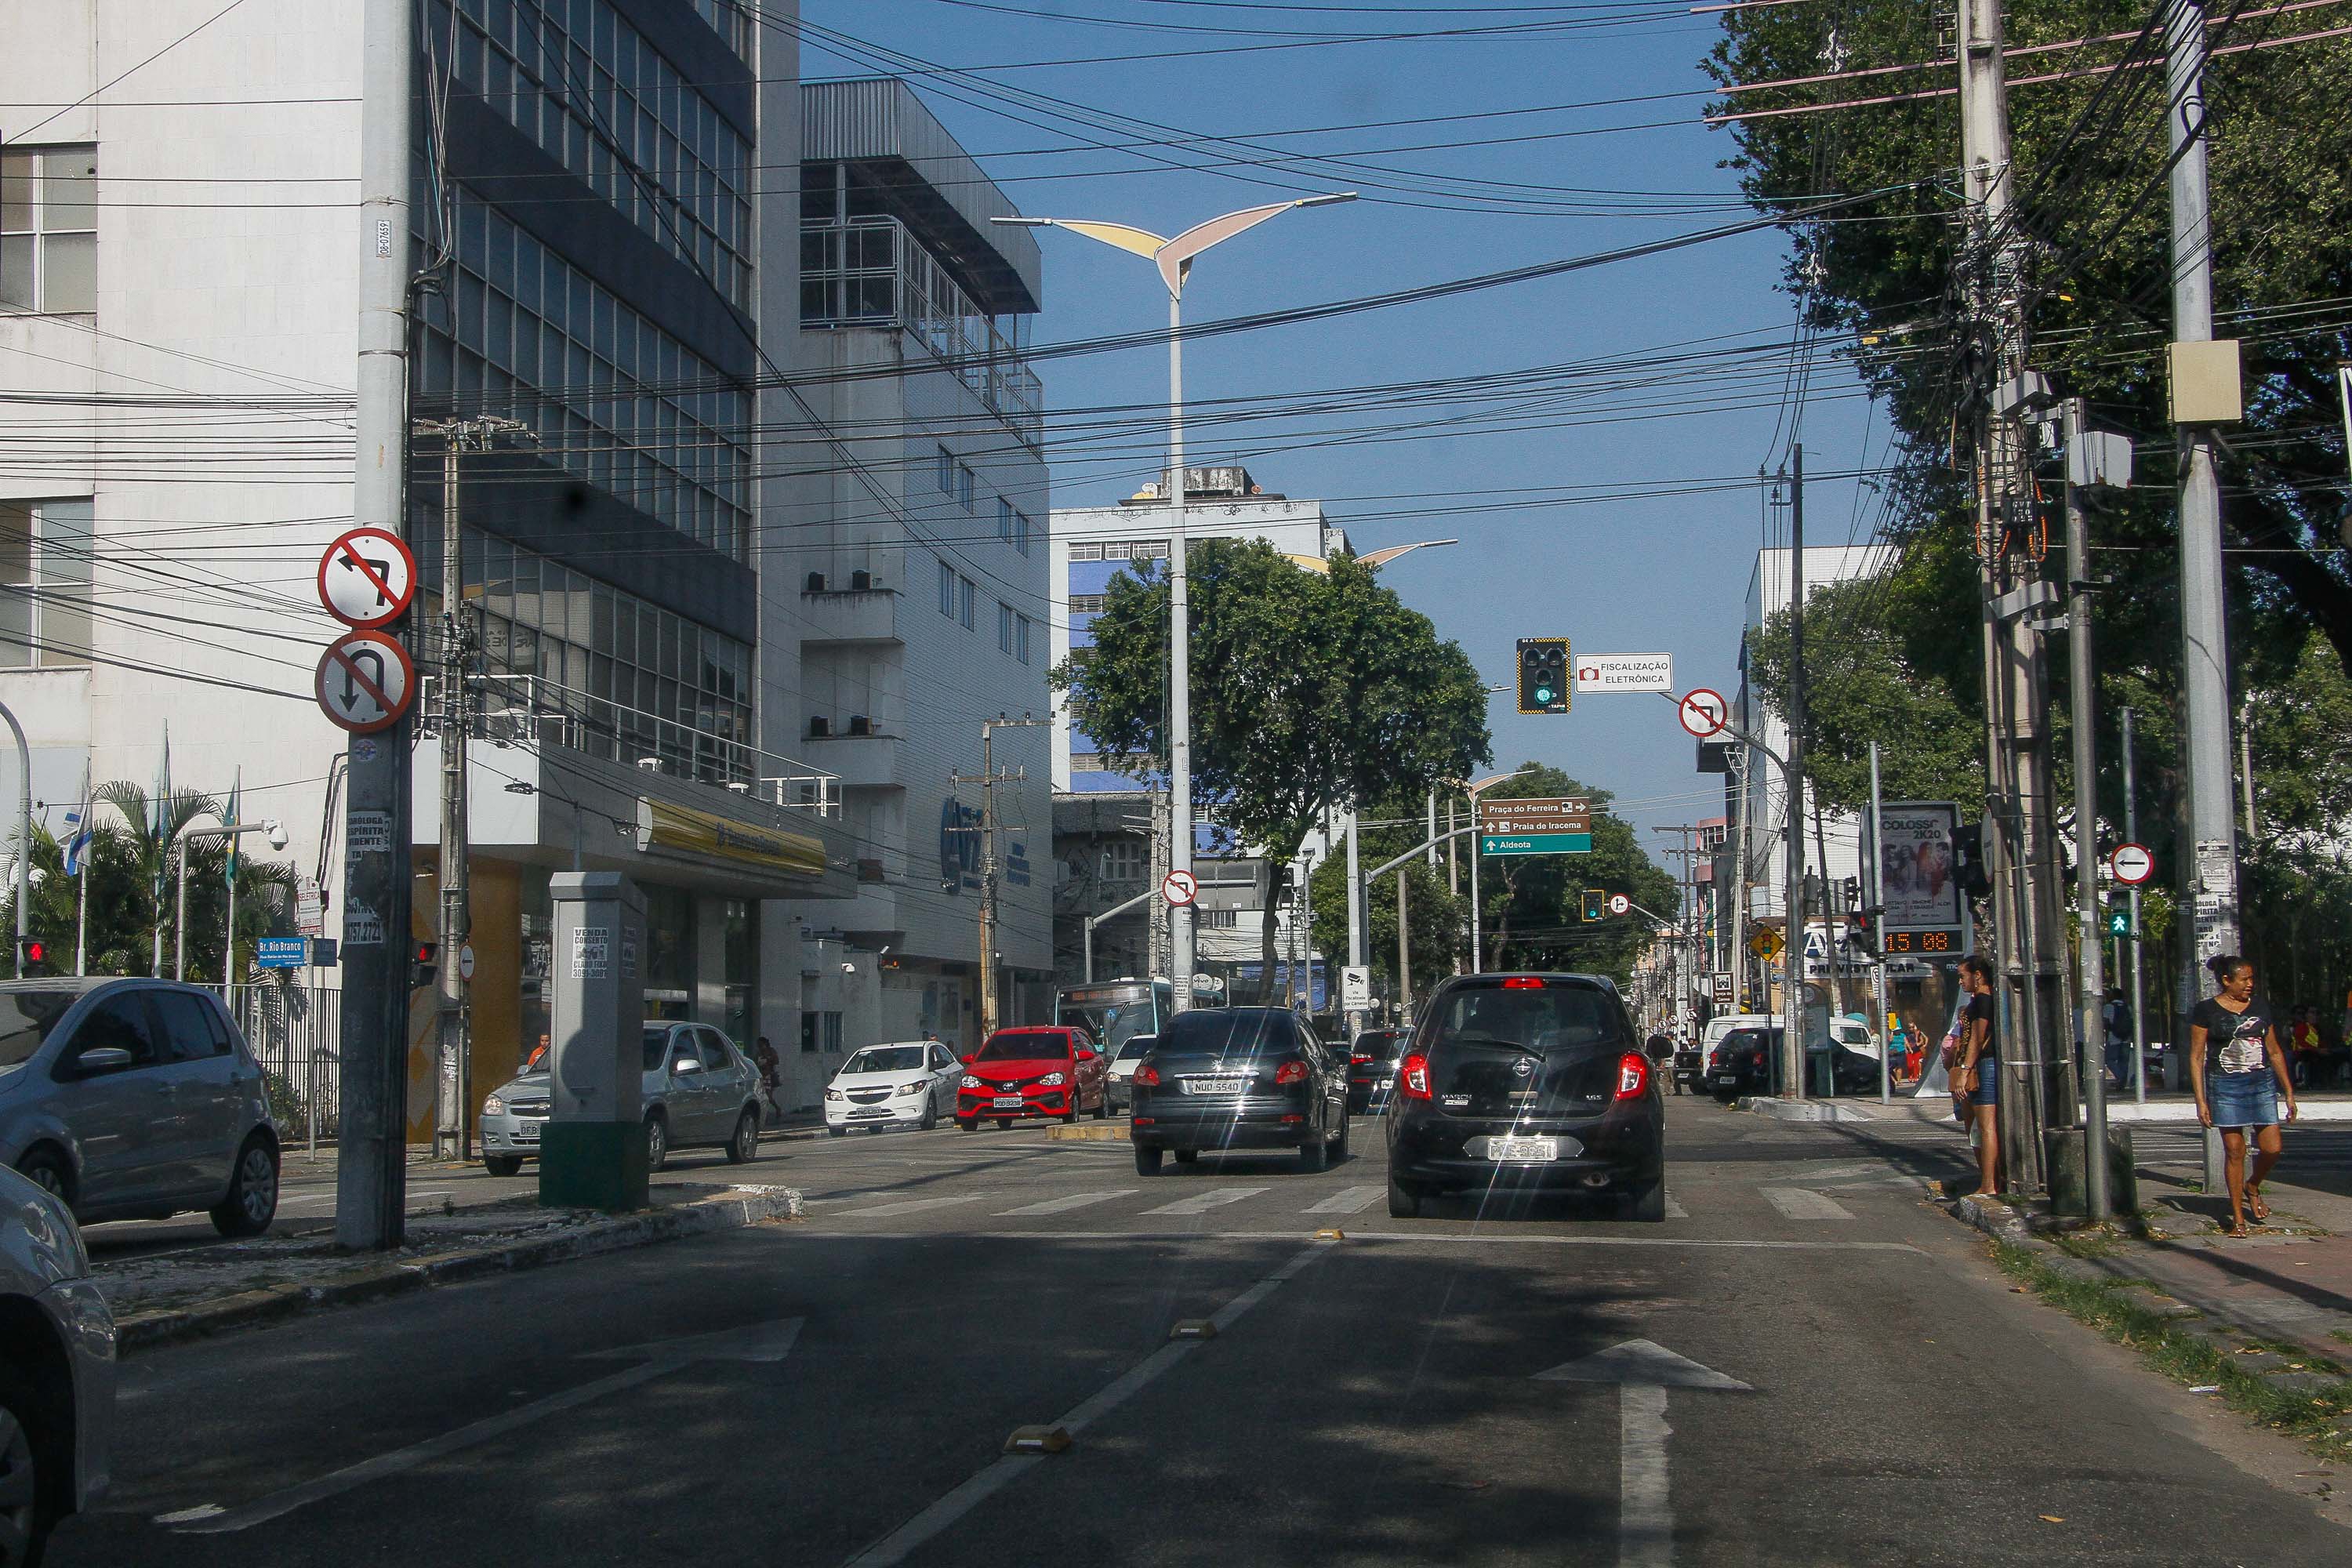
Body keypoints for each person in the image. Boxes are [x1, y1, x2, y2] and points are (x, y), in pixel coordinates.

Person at [2188, 956, 2299, 1236]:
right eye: (2245, 979)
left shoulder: (2260, 1006)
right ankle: (2238, 1217)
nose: (2250, 984)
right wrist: (2201, 1101)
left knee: (2272, 1148)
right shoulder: (2206, 1010)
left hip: (2260, 1083)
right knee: (2235, 1151)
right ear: (2227, 981)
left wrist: (2288, 1092)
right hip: (2224, 1085)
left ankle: (2253, 1186)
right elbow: (2196, 1056)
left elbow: (2273, 1051)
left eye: (2252, 979)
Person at [1954, 953, 2002, 1199]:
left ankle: (1989, 1184)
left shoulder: (1984, 998)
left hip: (1984, 1065)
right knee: (1977, 1127)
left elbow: (1978, 1037)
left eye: (1963, 976)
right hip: (1981, 1064)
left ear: (1978, 975)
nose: (1961, 982)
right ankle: (1988, 1180)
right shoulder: (1981, 998)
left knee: (1986, 1127)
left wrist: (1965, 1070)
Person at [2103, 988, 2136, 1091]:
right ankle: (2122, 1082)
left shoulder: (2108, 1007)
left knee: (2109, 1059)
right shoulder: (2128, 1007)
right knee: (2124, 1061)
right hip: (2126, 1038)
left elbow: (2105, 1023)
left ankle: (2120, 1077)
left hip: (2113, 1038)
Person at [753, 1034, 782, 1120]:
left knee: (768, 1096)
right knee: (760, 1096)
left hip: (769, 1076)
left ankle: (777, 1108)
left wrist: (768, 1059)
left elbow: (776, 1061)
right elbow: (754, 1062)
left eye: (761, 1044)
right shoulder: (758, 1053)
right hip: (760, 1076)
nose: (760, 1046)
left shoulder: (771, 1051)